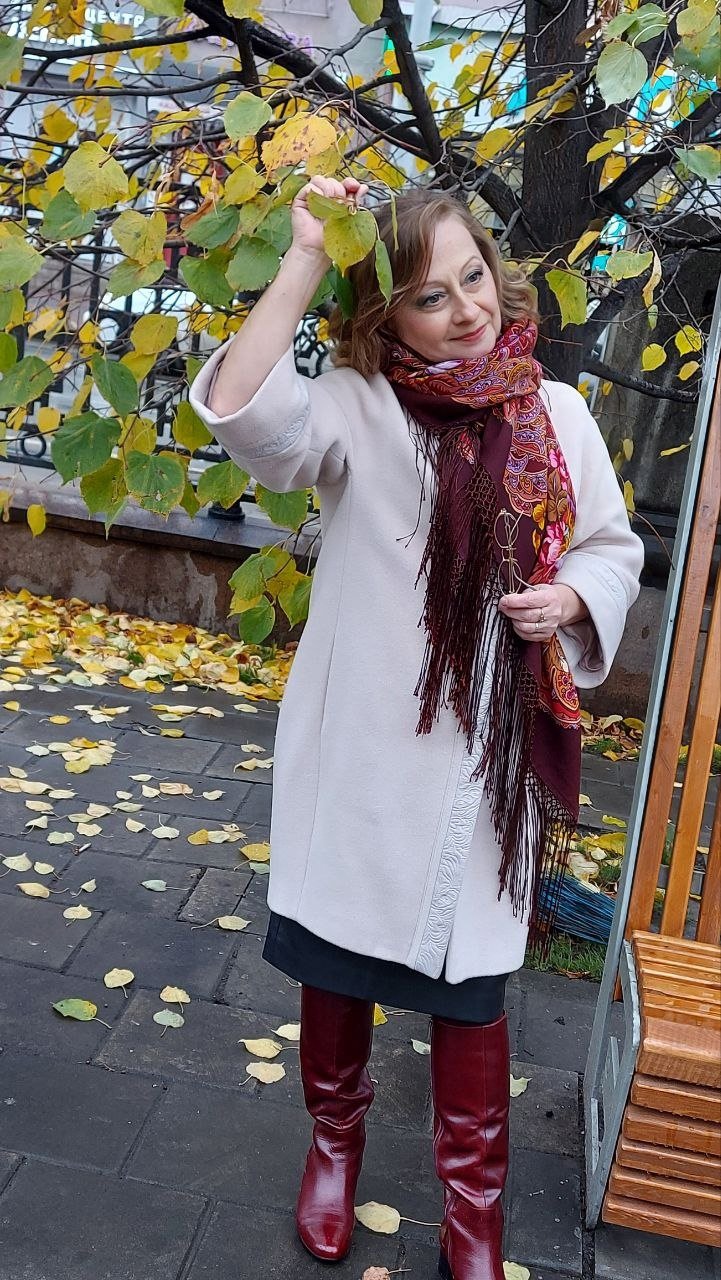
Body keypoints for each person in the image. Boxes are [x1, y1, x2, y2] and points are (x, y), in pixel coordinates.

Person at [190, 176, 644, 1280]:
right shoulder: (359, 406)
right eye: (429, 297)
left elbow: (611, 545)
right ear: (384, 317)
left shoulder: (558, 413)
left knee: (471, 990)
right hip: (364, 754)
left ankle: (473, 1211)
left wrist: (571, 597)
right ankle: (333, 1148)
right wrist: (306, 253)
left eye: (472, 277)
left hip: (483, 767)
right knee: (337, 964)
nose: (466, 309)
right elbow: (244, 412)